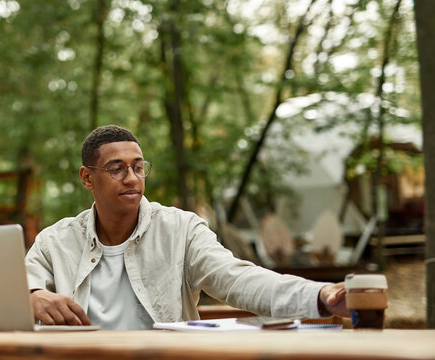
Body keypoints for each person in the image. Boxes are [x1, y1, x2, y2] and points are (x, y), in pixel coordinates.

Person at [25, 125, 348, 330]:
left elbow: (238, 279)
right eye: (116, 168)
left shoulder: (182, 229)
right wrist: (34, 297)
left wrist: (320, 295)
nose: (132, 178)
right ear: (87, 178)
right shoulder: (56, 241)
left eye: (138, 167)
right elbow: (14, 291)